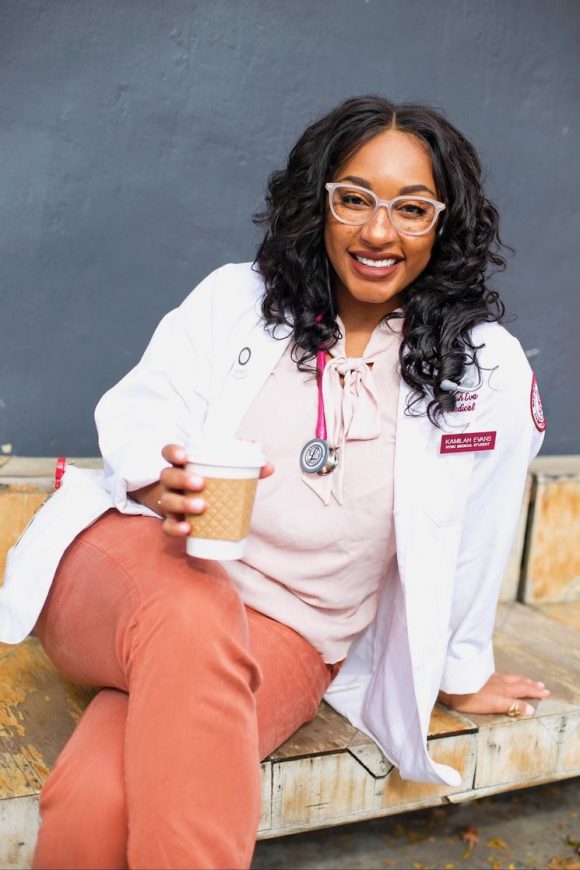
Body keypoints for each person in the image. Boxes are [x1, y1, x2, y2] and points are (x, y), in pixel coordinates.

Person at [1, 95, 549, 869]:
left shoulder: (483, 369)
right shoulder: (240, 299)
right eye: (353, 199)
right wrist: (160, 476)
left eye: (411, 207)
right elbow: (142, 402)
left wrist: (461, 672)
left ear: (445, 220)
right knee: (192, 610)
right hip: (135, 572)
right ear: (319, 202)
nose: (378, 231)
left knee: (102, 790)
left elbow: (482, 528)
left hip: (292, 634)